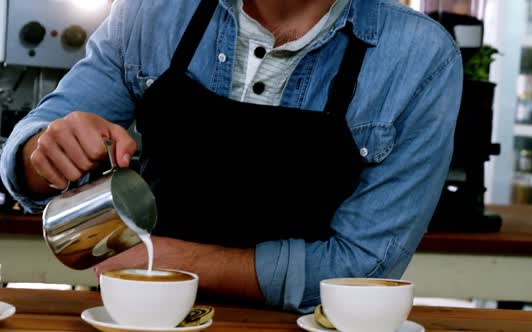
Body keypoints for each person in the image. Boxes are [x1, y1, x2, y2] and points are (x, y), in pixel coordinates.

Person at [0, 0, 463, 312]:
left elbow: (363, 267)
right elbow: (27, 157)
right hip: (141, 318)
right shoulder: (152, 11)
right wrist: (45, 152)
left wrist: (168, 260)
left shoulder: (419, 57)